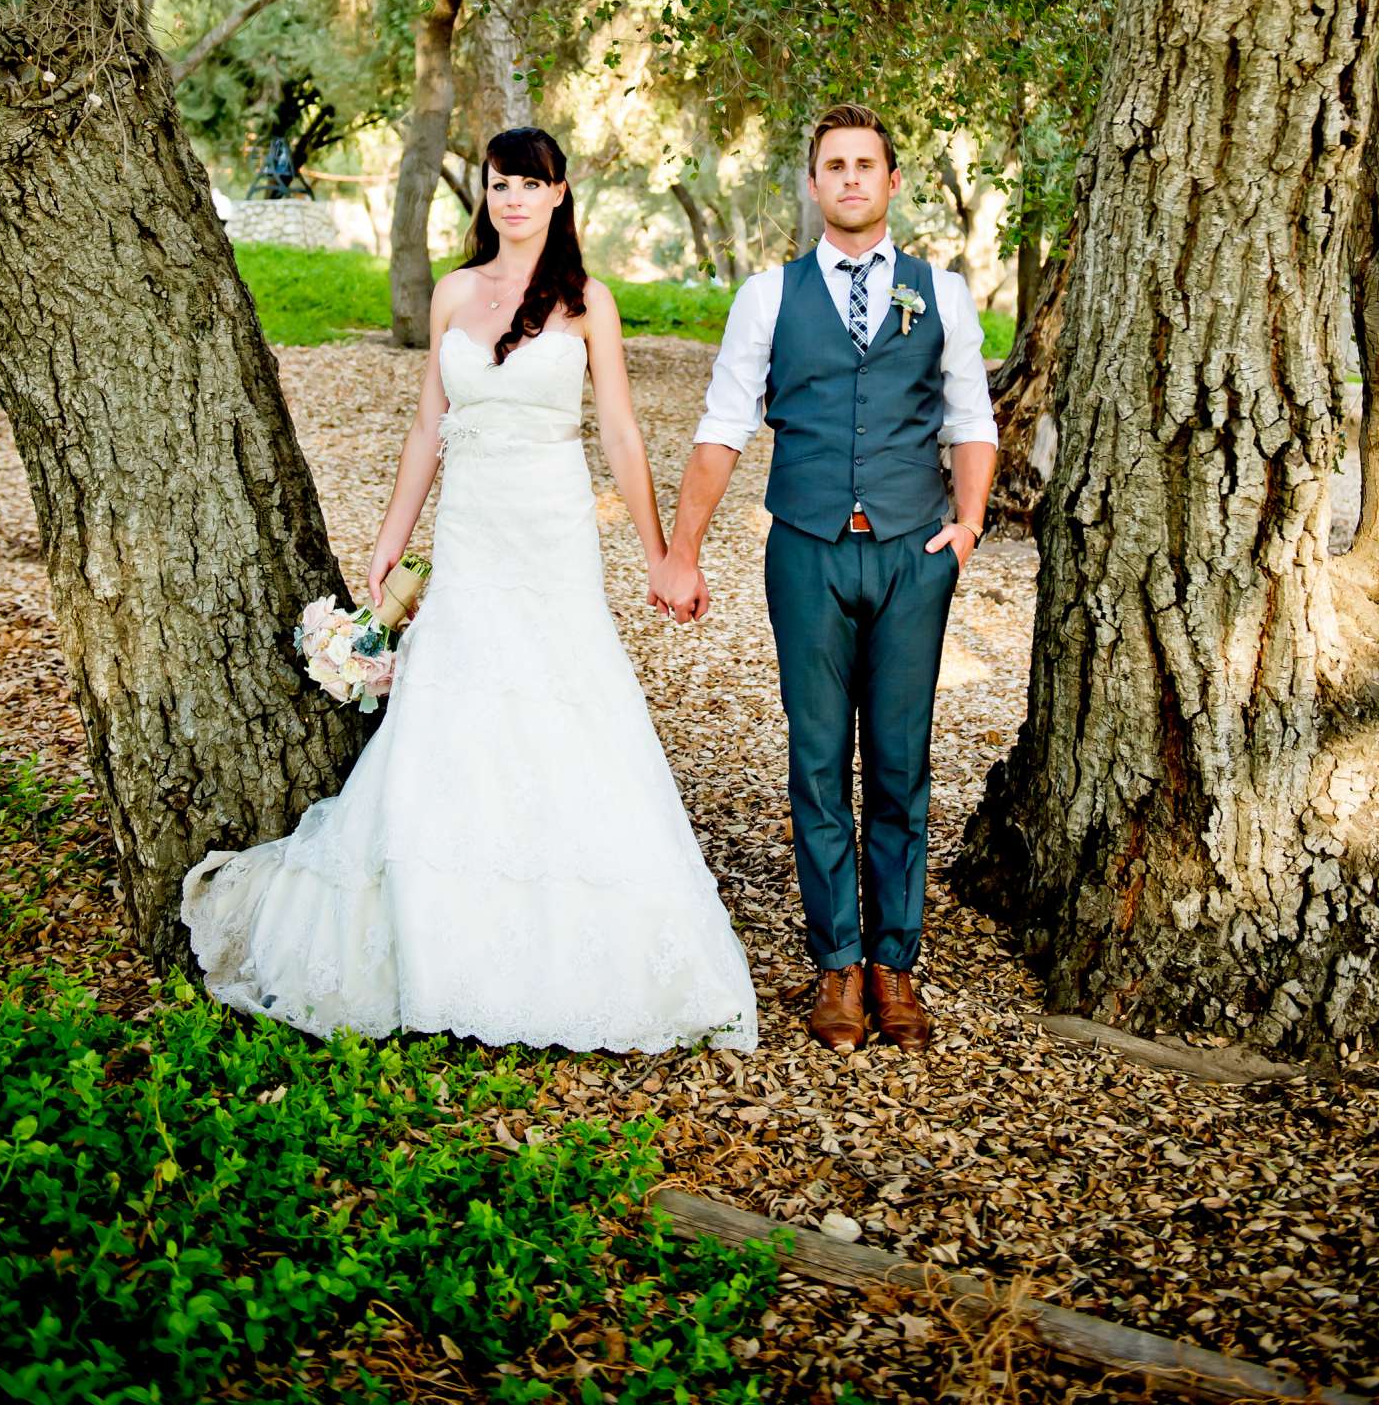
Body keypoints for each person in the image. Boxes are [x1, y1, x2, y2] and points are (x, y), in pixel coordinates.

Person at [182, 127, 757, 1054]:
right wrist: (387, 544)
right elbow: (425, 430)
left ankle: (566, 942)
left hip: (551, 528)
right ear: (484, 195)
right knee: (456, 706)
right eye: (500, 184)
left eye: (531, 184)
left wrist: (657, 552)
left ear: (560, 194)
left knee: (558, 702)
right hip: (472, 528)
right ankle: (438, 932)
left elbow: (616, 432)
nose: (513, 199)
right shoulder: (454, 292)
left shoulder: (586, 304)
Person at [652, 105, 997, 1055]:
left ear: (891, 184)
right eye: (833, 166)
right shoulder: (767, 296)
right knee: (815, 762)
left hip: (910, 555)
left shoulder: (944, 293)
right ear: (812, 185)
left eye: (865, 165)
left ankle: (895, 963)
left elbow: (969, 419)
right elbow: (723, 427)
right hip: (803, 550)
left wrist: (965, 530)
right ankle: (835, 963)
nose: (849, 179)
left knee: (898, 762)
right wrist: (682, 550)